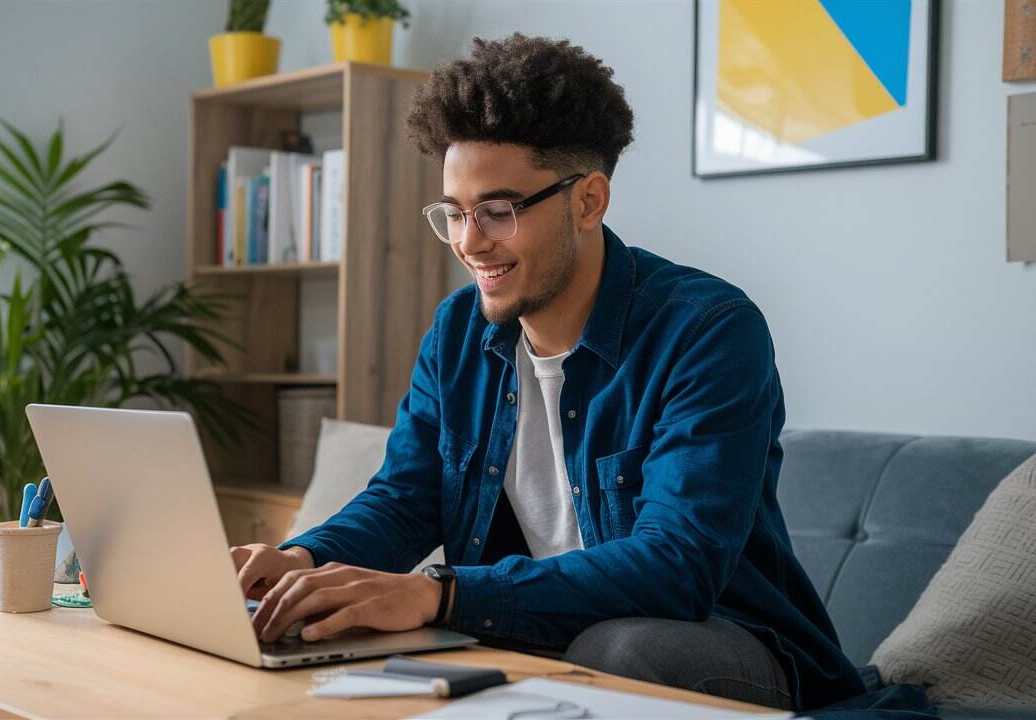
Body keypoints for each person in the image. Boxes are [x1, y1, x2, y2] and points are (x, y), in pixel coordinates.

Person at [231, 33, 863, 712]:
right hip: (538, 635)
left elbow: (676, 565)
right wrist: (300, 561)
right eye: (454, 213)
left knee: (618, 650)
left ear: (588, 201)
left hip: (727, 642)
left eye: (497, 211)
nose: (470, 243)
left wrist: (441, 592)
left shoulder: (709, 331)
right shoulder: (457, 331)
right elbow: (406, 498)